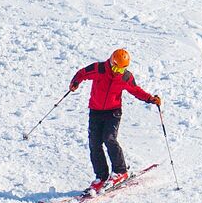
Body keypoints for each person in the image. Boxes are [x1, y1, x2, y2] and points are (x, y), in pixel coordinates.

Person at [69, 49, 161, 195]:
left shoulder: (125, 77)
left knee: (109, 138)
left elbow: (136, 90)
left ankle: (120, 171)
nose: (118, 71)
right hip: (96, 111)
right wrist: (75, 82)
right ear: (112, 62)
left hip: (113, 112)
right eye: (116, 67)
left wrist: (150, 98)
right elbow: (82, 73)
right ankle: (101, 176)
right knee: (94, 142)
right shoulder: (99, 69)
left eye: (122, 68)